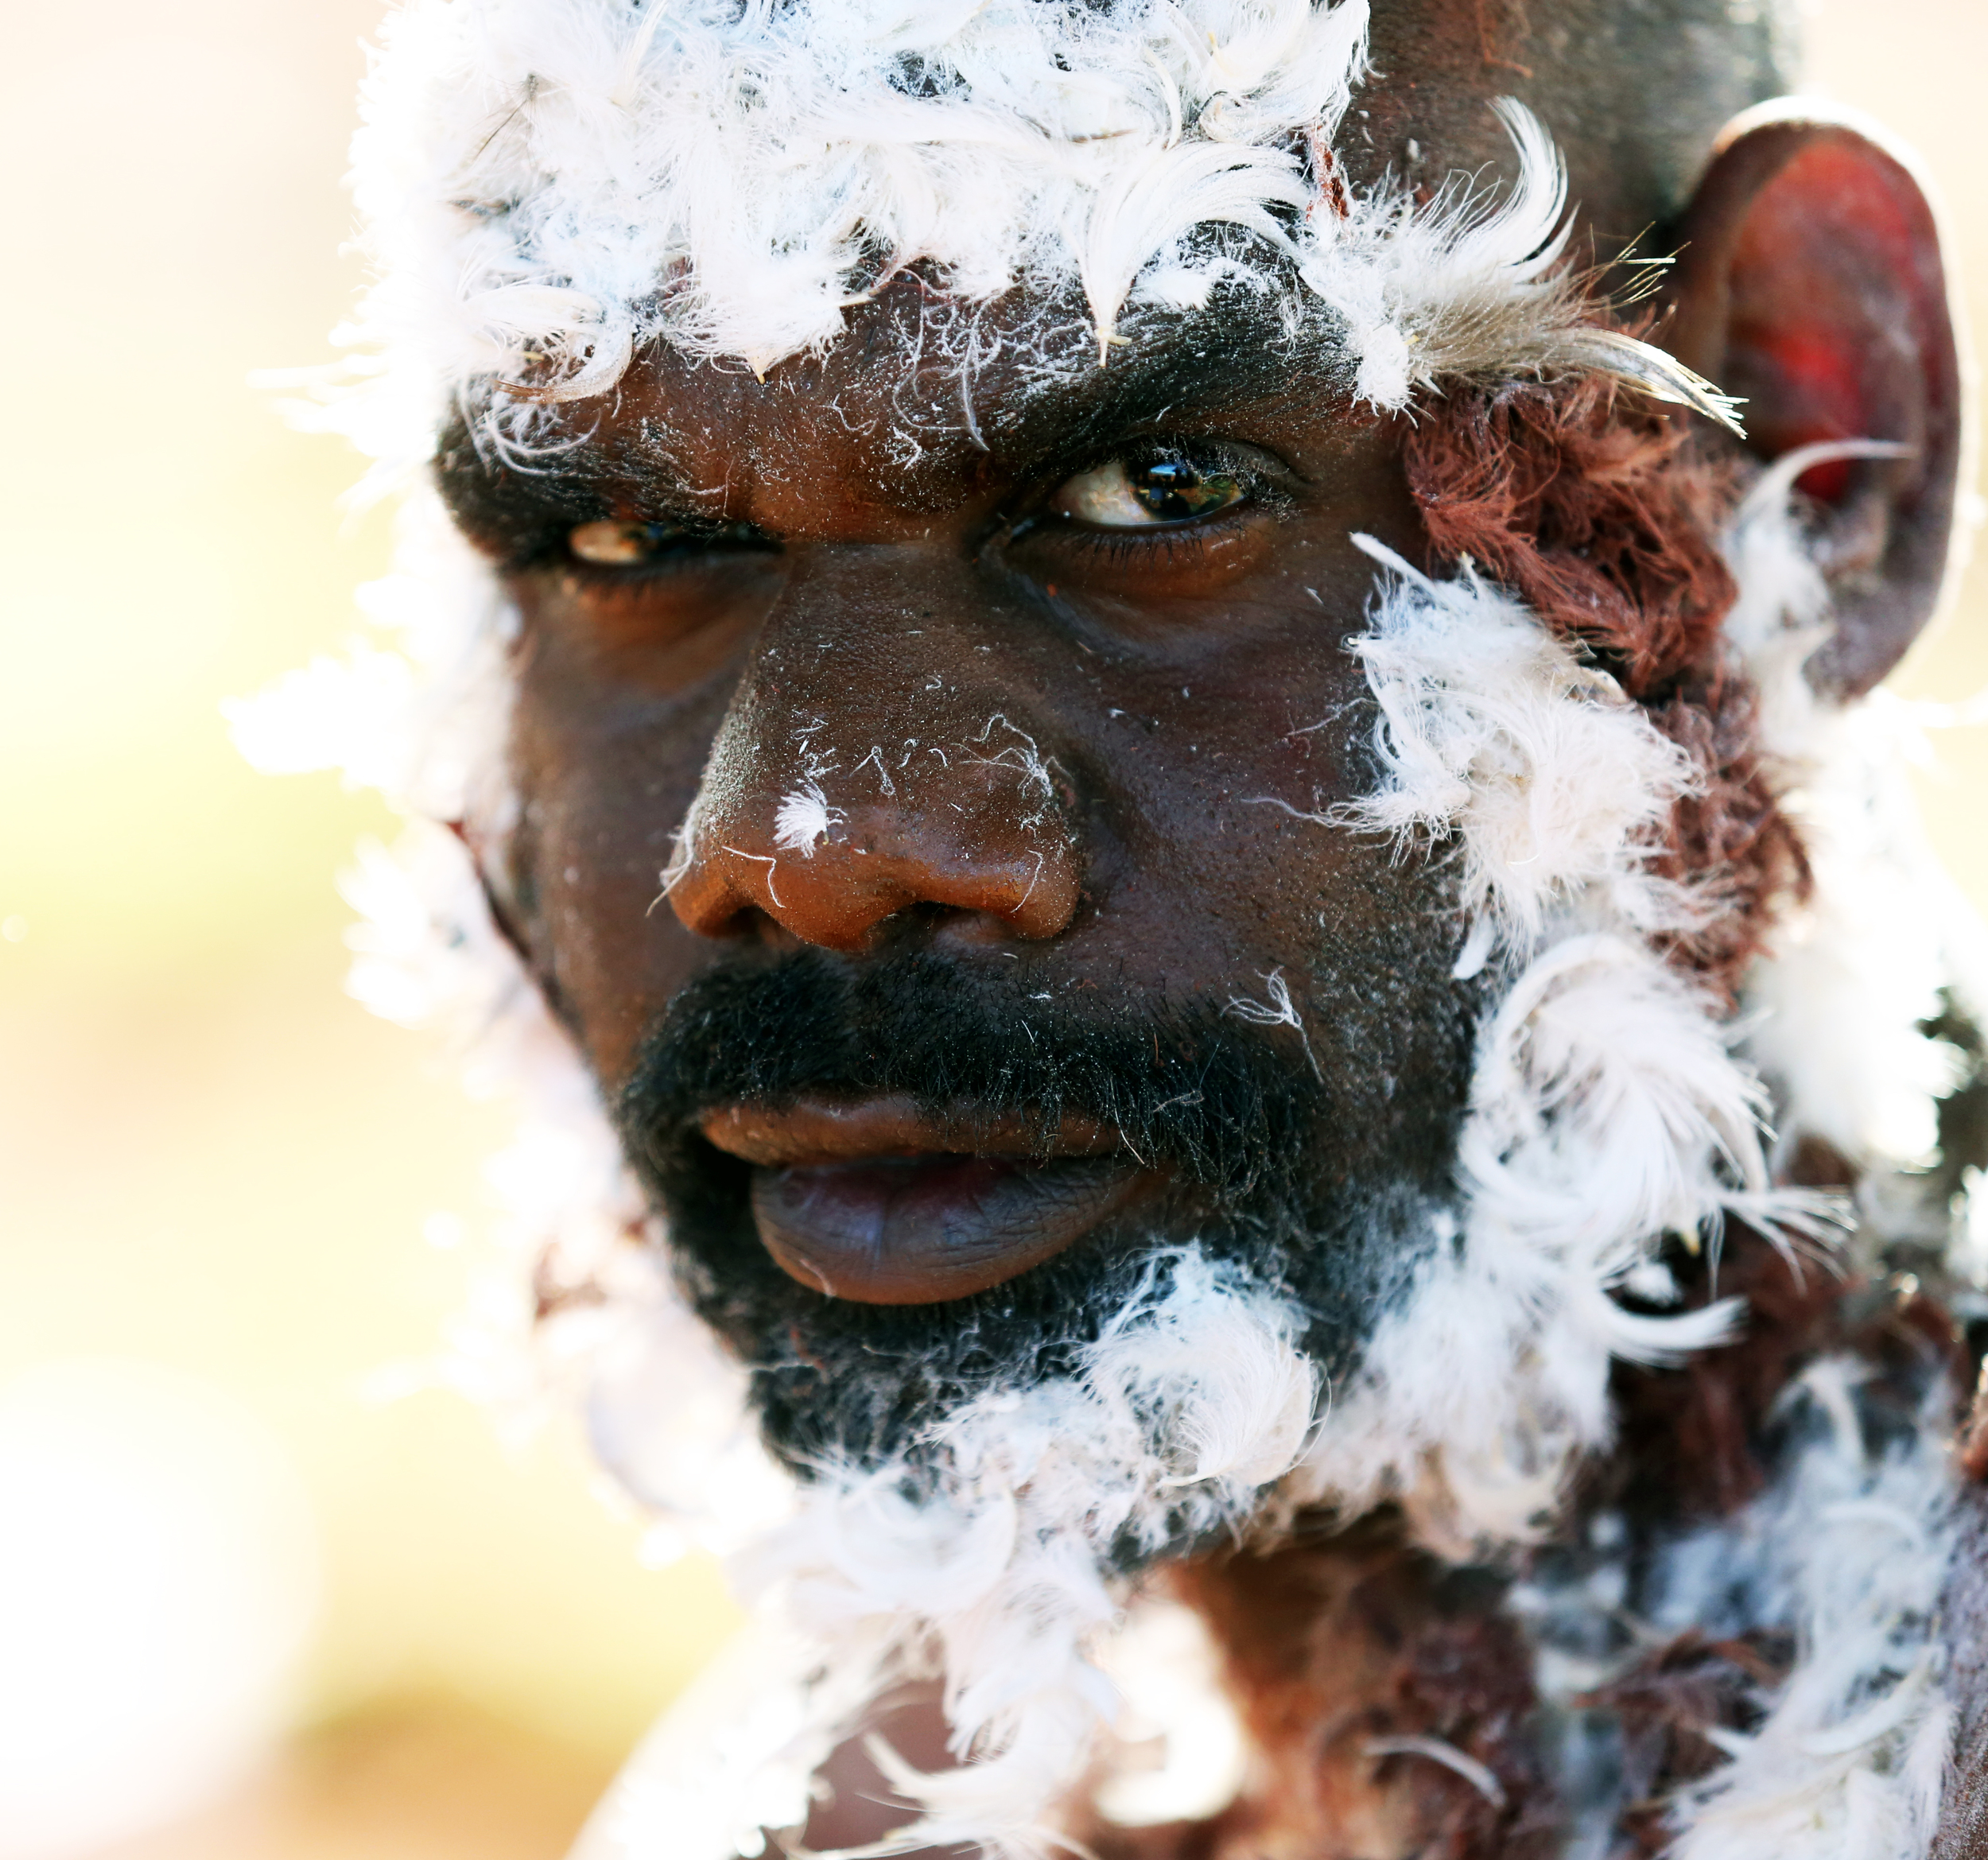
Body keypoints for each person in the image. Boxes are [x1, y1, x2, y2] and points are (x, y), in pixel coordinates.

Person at [244, 0, 1988, 1852]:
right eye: (620, 542)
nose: (801, 843)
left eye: (1156, 495)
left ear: (1807, 455)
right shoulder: (860, 1801)